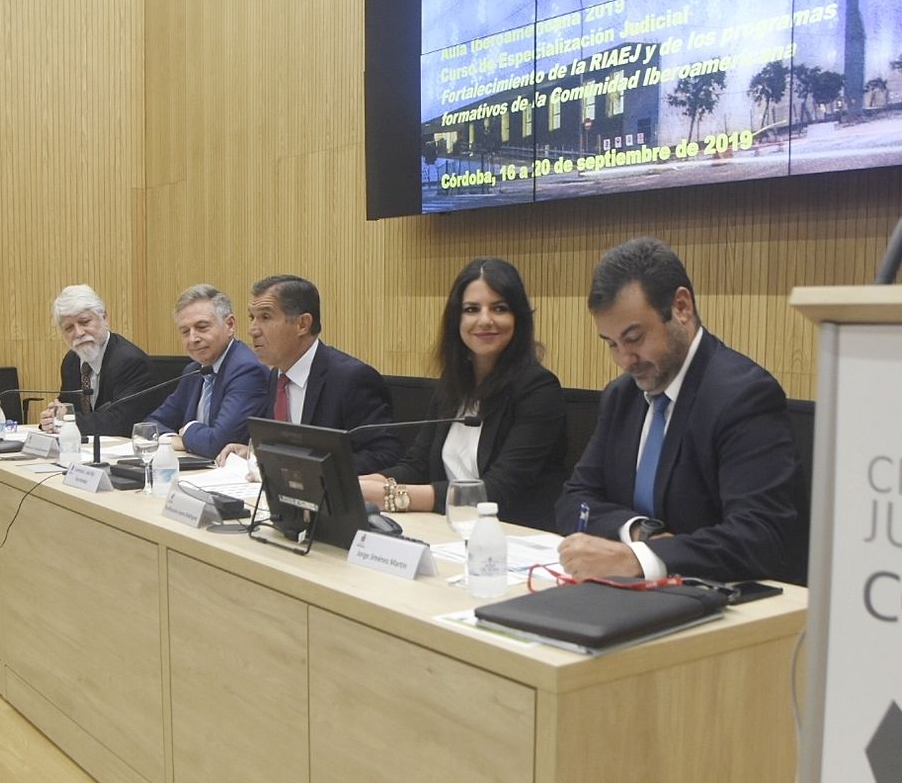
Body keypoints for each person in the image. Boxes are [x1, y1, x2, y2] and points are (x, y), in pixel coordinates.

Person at [556, 237, 806, 583]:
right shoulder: (621, 397)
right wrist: (638, 533)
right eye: (612, 344)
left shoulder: (743, 396)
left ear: (681, 307)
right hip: (631, 596)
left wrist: (639, 559)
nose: (625, 361)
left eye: (634, 338)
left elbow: (760, 536)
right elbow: (574, 499)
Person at [362, 258, 567, 531]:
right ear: (456, 320)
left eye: (499, 308)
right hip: (447, 530)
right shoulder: (454, 385)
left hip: (511, 538)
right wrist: (359, 483)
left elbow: (497, 491)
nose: (485, 320)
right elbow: (416, 466)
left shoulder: (539, 390)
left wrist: (393, 496)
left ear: (518, 317)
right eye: (471, 309)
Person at [229, 274, 403, 473]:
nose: (252, 330)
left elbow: (386, 456)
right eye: (252, 317)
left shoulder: (351, 378)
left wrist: (308, 470)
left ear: (303, 324)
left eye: (265, 317)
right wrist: (255, 454)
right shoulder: (276, 376)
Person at [146, 284, 267, 459]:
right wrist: (173, 439)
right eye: (185, 331)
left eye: (202, 327)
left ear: (230, 325)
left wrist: (187, 431)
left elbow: (218, 444)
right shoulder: (194, 370)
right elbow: (151, 425)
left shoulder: (246, 370)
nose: (193, 338)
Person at [39, 285, 154, 436]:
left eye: (85, 322)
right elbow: (66, 407)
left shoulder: (130, 362)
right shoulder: (72, 361)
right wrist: (51, 417)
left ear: (104, 318)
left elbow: (120, 422)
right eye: (69, 328)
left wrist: (65, 422)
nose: (78, 333)